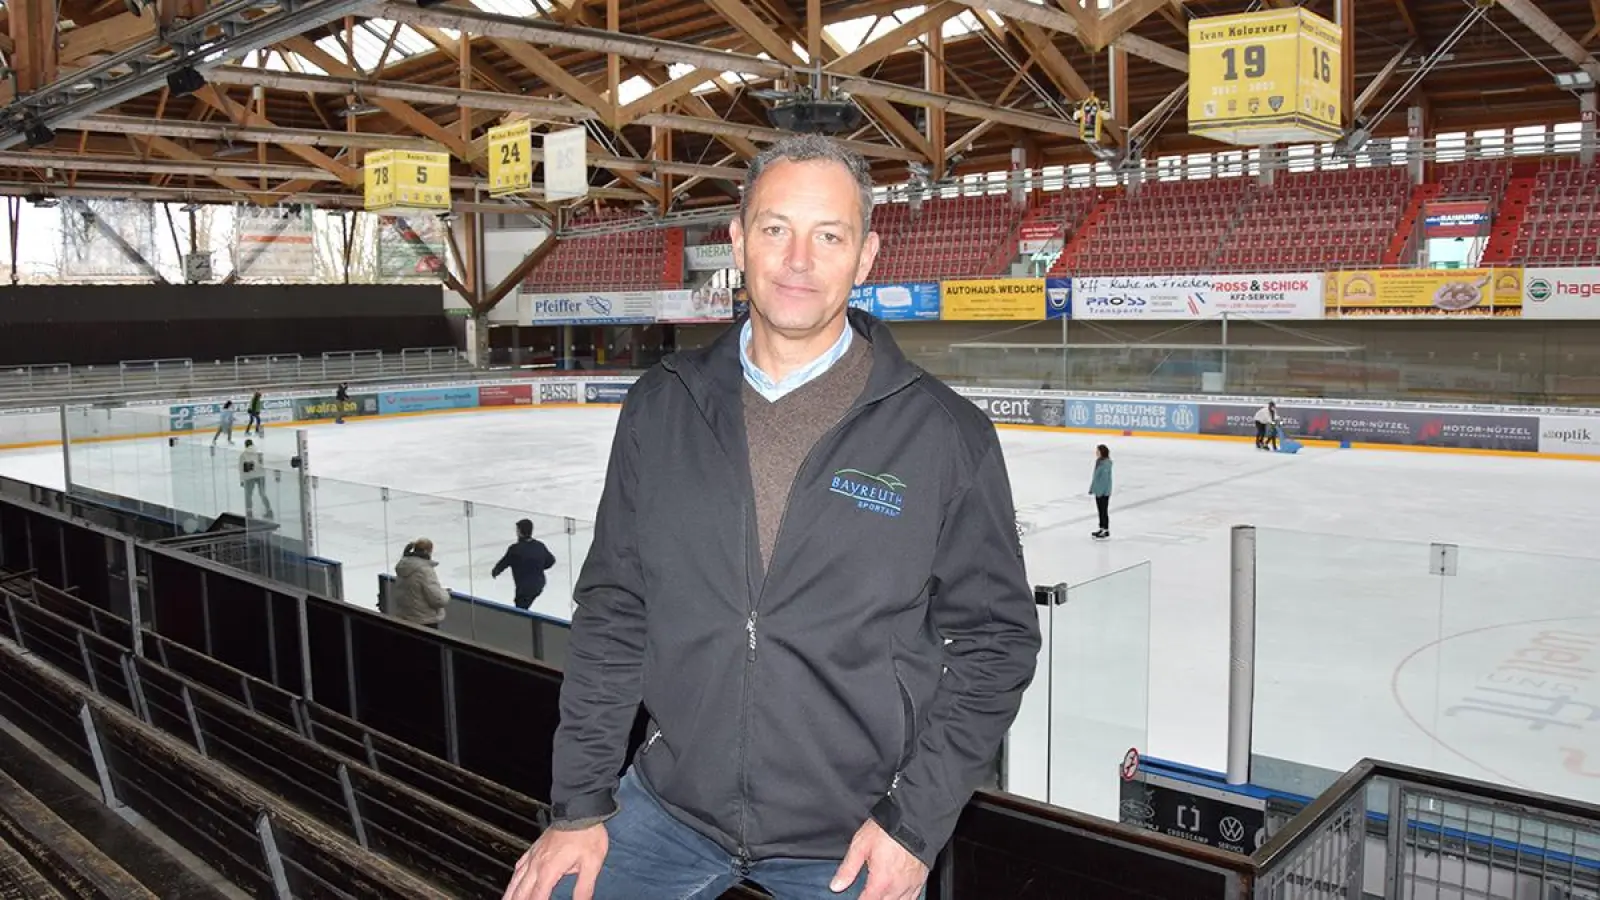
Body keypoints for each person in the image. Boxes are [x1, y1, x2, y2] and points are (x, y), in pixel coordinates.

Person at [503, 134, 1040, 900]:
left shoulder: (945, 435)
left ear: (866, 256)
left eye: (830, 235)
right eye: (775, 228)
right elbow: (615, 611)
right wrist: (580, 803)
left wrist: (913, 826)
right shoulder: (662, 406)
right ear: (737, 241)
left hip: (855, 833)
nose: (798, 260)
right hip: (665, 808)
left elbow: (997, 643)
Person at [492, 518, 557, 611]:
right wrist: (537, 566)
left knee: (521, 608)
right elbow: (551, 561)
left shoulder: (515, 549)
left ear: (520, 531)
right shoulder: (539, 545)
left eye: (517, 530)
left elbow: (504, 562)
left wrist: (495, 571)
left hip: (524, 588)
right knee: (523, 605)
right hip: (539, 583)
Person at [392, 538, 450, 629]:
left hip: (405, 618)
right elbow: (437, 599)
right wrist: (446, 593)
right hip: (424, 621)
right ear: (427, 551)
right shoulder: (424, 571)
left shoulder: (404, 567)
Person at [239, 438, 273, 519]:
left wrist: (242, 480)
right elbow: (264, 463)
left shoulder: (243, 455)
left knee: (248, 495)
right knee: (262, 493)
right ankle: (269, 510)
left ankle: (249, 512)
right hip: (260, 475)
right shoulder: (259, 453)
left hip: (249, 476)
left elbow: (241, 468)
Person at [1089, 444, 1113, 540]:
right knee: (1100, 511)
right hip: (1098, 490)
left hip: (1104, 492)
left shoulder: (1106, 464)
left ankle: (1105, 529)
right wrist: (1093, 488)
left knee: (1103, 511)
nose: (1096, 453)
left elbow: (1105, 480)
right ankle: (1101, 527)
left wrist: (1102, 491)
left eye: (1098, 451)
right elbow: (1096, 478)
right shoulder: (1099, 462)